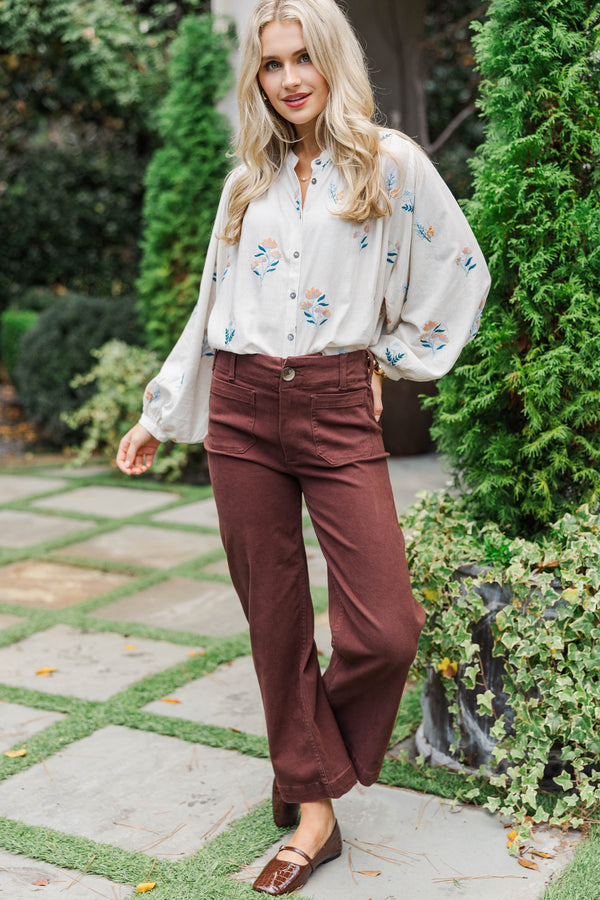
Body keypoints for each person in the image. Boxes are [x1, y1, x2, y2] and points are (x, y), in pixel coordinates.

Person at [117, 0, 490, 893]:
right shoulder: (249, 176)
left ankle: (304, 758)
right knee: (275, 619)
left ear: (332, 60)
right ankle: (314, 812)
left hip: (332, 406)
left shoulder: (388, 163)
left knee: (388, 630)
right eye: (271, 64)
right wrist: (160, 410)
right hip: (243, 407)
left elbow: (460, 271)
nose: (288, 80)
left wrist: (389, 360)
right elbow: (213, 306)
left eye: (301, 59)